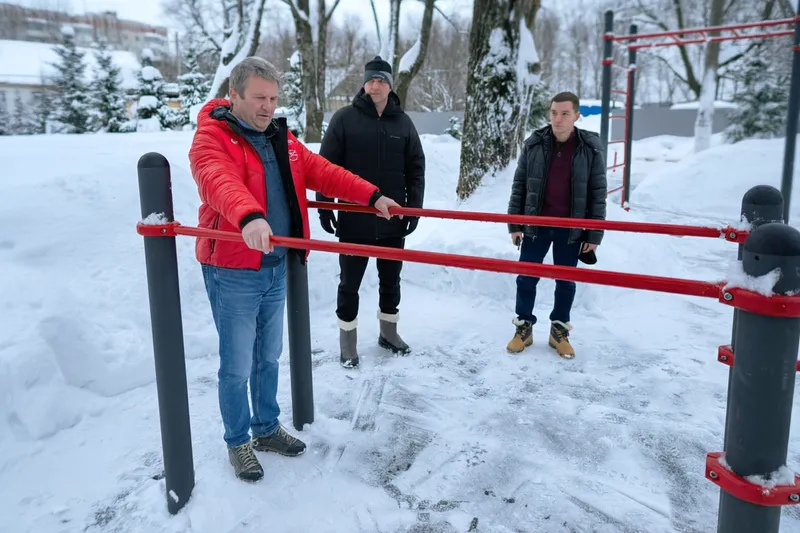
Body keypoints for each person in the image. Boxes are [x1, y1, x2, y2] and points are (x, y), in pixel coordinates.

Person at [188, 56, 401, 482]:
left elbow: (324, 172)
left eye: (273, 98)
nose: (268, 106)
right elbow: (217, 180)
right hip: (234, 268)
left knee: (268, 356)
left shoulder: (280, 138)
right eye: (259, 98)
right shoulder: (212, 137)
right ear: (234, 96)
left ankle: (265, 428)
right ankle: (237, 441)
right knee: (237, 363)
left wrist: (372, 195)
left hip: (275, 266)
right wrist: (249, 217)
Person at [316, 55, 426, 369]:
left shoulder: (403, 122)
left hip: (392, 219)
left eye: (381, 80)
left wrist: (413, 209)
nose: (375, 85)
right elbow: (326, 166)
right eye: (371, 79)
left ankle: (388, 334)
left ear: (390, 86)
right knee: (349, 283)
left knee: (391, 280)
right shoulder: (344, 118)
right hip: (354, 218)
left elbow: (416, 169)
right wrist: (325, 205)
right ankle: (347, 343)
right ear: (364, 83)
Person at [506, 91, 607, 359]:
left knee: (566, 282)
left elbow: (598, 193)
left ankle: (558, 331)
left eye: (564, 113)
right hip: (535, 225)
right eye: (554, 113)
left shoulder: (590, 146)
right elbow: (520, 184)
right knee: (526, 277)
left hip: (570, 229)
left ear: (576, 115)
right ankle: (523, 328)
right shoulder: (535, 143)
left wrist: (594, 234)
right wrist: (515, 223)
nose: (558, 119)